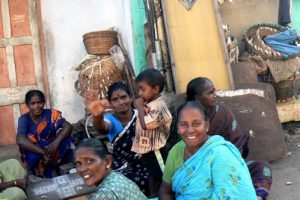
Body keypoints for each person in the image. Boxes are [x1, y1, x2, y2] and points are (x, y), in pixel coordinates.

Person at [186, 77, 272, 200]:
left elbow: (236, 142)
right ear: (197, 98)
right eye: (210, 92)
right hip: (200, 172)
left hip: (228, 165)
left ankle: (257, 197)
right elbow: (185, 150)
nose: (215, 95)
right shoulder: (186, 117)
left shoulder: (222, 112)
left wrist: (230, 164)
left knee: (263, 167)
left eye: (214, 91)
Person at [159, 101, 256, 199]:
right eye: (184, 124)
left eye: (196, 123)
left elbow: (232, 195)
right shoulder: (176, 151)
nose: (190, 130)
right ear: (178, 128)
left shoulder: (221, 154)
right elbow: (165, 190)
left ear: (207, 125)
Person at [87, 82, 149, 195]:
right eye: (115, 100)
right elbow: (103, 128)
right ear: (110, 103)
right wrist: (97, 116)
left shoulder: (140, 115)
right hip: (123, 169)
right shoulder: (109, 119)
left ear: (130, 98)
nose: (121, 102)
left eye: (124, 97)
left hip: (146, 165)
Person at [131, 68, 172, 197]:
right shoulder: (149, 103)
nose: (139, 93)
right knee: (152, 174)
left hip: (156, 150)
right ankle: (154, 196)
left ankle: (170, 195)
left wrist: (139, 108)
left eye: (142, 89)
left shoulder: (159, 106)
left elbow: (145, 125)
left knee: (164, 176)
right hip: (148, 150)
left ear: (155, 89)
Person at [16, 90, 73, 178]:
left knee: (66, 138)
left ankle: (55, 165)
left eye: (39, 102)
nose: (37, 106)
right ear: (28, 105)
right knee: (29, 149)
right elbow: (20, 140)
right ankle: (36, 171)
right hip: (36, 150)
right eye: (33, 103)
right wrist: (43, 153)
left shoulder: (51, 114)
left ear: (44, 102)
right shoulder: (24, 119)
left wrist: (55, 143)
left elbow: (68, 126)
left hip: (52, 148)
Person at [75, 138, 147, 200]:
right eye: (78, 163)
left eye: (90, 161)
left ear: (107, 161)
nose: (82, 169)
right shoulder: (116, 176)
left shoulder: (106, 194)